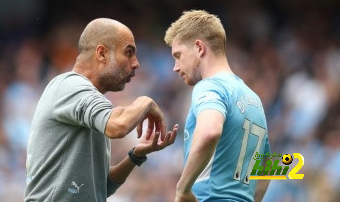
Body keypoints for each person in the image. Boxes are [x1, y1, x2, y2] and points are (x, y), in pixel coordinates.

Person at [25, 18, 178, 201]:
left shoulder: (88, 101)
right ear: (102, 53)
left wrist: (136, 155)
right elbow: (118, 126)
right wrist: (146, 101)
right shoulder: (70, 86)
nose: (136, 63)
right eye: (129, 52)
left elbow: (102, 187)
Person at [164, 10, 271, 202]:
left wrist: (182, 190)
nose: (175, 66)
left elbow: (210, 132)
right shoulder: (254, 99)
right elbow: (267, 166)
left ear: (199, 47)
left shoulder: (210, 86)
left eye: (178, 55)